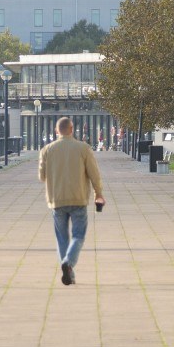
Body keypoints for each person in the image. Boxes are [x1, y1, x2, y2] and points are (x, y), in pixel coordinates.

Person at [36, 116, 105, 286]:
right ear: (72, 129)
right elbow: (94, 174)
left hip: (56, 200)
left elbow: (42, 176)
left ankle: (67, 266)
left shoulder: (47, 150)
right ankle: (68, 263)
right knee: (78, 235)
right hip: (78, 197)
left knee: (61, 237)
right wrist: (99, 193)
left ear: (56, 131)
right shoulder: (83, 148)